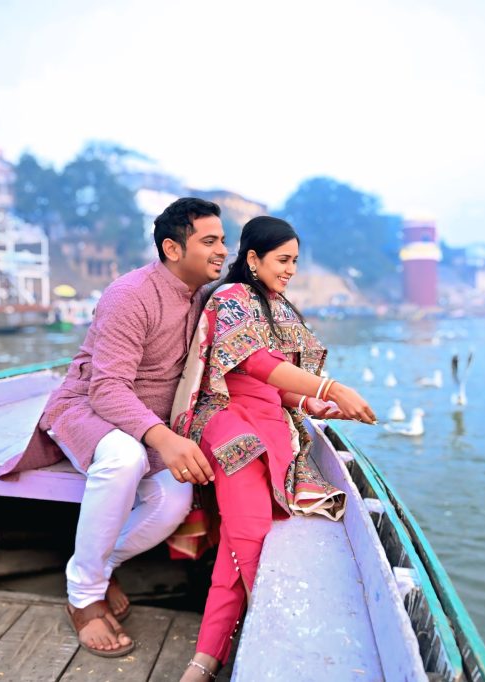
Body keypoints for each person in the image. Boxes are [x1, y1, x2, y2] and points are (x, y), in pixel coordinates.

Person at [0, 197, 228, 657]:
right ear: (172, 248)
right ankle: (83, 596)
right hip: (86, 407)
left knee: (172, 503)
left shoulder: (203, 297)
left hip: (144, 422)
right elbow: (106, 391)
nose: (223, 249)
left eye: (224, 239)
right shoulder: (130, 295)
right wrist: (166, 438)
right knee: (126, 458)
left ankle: (97, 569)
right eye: (210, 241)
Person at [170, 216, 376, 680]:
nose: (290, 270)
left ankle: (206, 657)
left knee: (242, 541)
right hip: (225, 419)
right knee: (249, 529)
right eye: (282, 260)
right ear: (252, 259)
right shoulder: (230, 299)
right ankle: (259, 648)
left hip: (271, 423)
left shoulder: (276, 305)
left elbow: (278, 388)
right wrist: (331, 388)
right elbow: (256, 364)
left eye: (295, 261)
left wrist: (317, 405)